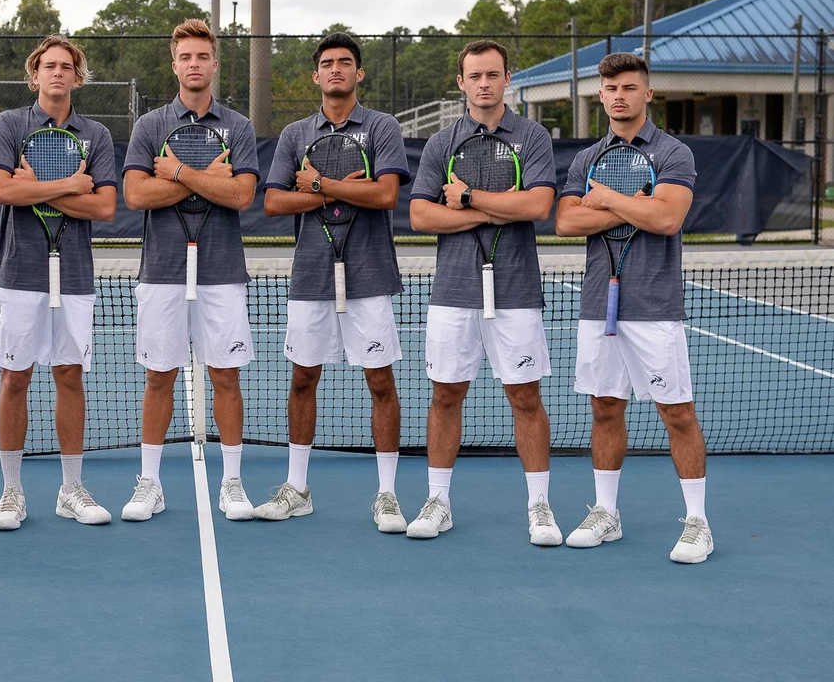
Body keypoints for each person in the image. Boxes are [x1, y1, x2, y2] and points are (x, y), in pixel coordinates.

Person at [555, 51, 712, 564]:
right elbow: (566, 223)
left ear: (647, 93)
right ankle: (606, 512)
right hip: (598, 304)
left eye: (629, 87)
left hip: (655, 305)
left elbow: (667, 219)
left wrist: (605, 200)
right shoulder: (586, 159)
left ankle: (698, 522)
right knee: (604, 407)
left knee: (677, 413)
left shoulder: (672, 153)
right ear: (600, 96)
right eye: (610, 88)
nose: (619, 95)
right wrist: (633, 204)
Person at [253, 32, 412, 532]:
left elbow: (385, 195)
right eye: (328, 63)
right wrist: (343, 192)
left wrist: (320, 184)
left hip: (371, 274)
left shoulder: (382, 127)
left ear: (359, 73)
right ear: (316, 76)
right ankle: (297, 489)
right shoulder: (295, 134)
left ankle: (387, 495)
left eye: (345, 62)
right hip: (311, 276)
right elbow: (274, 202)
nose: (336, 69)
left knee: (380, 382)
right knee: (303, 378)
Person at [407, 40, 562, 544]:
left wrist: (468, 199)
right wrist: (496, 210)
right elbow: (420, 215)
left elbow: (538, 206)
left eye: (492, 74)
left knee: (525, 397)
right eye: (474, 76)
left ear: (507, 78)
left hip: (516, 291)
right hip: (453, 293)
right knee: (445, 395)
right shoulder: (441, 143)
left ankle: (540, 506)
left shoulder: (533, 137)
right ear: (461, 83)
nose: (484, 83)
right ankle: (438, 501)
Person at [120, 18, 258, 522]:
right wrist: (206, 178)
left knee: (226, 376)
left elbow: (241, 195)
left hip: (222, 271)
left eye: (202, 56)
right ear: (174, 65)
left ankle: (233, 484)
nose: (194, 64)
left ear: (214, 64)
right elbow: (136, 194)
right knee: (159, 376)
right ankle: (150, 484)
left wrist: (177, 172)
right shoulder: (150, 126)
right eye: (186, 57)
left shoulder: (238, 127)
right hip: (162, 271)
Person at [0, 36, 116, 529]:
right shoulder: (10, 124)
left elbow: (104, 206)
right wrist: (70, 185)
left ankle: (71, 489)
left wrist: (36, 188)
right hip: (21, 270)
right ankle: (11, 492)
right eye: (49, 66)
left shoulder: (96, 134)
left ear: (77, 78)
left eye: (66, 66)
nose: (57, 73)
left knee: (69, 375)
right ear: (34, 75)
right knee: (15, 377)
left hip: (75, 273)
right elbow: (3, 190)